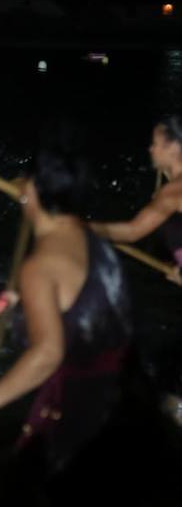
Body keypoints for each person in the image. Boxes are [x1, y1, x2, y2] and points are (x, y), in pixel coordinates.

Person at [0, 138, 132, 486]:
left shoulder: (41, 264)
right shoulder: (91, 240)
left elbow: (48, 354)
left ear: (34, 193)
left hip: (77, 410)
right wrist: (21, 308)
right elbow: (83, 311)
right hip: (125, 400)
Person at [89, 114, 182, 419]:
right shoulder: (170, 189)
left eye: (155, 143)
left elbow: (131, 232)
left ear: (173, 146)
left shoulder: (173, 192)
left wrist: (78, 227)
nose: (150, 149)